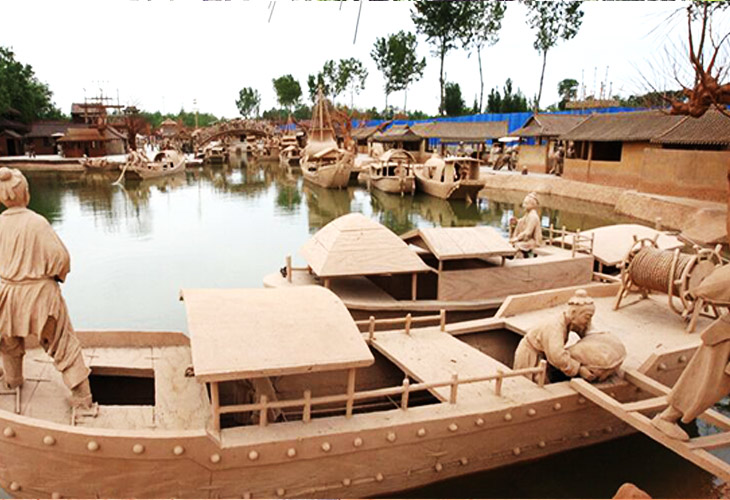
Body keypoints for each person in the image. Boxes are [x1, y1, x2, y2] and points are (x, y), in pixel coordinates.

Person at [0, 167, 93, 409]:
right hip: (40, 295)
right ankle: (82, 396)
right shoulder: (37, 222)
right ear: (26, 193)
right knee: (61, 343)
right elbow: (61, 259)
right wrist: (56, 277)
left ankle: (13, 380)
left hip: (7, 293)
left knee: (8, 342)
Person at [651, 264, 730, 441]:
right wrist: (696, 293)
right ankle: (666, 418)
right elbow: (715, 283)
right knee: (706, 381)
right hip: (725, 340)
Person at [513, 289, 596, 381]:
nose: (588, 321)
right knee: (531, 384)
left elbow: (586, 331)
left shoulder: (570, 322)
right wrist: (579, 369)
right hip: (530, 357)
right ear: (573, 313)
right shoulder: (555, 327)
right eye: (587, 317)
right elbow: (557, 357)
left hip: (542, 357)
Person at [509, 192, 543, 257]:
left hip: (534, 241)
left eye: (526, 203)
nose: (523, 205)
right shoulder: (528, 214)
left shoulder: (533, 216)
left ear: (532, 204)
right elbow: (522, 221)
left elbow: (528, 232)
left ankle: (520, 259)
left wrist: (517, 238)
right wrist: (516, 221)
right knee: (513, 243)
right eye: (524, 203)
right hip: (528, 240)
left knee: (518, 245)